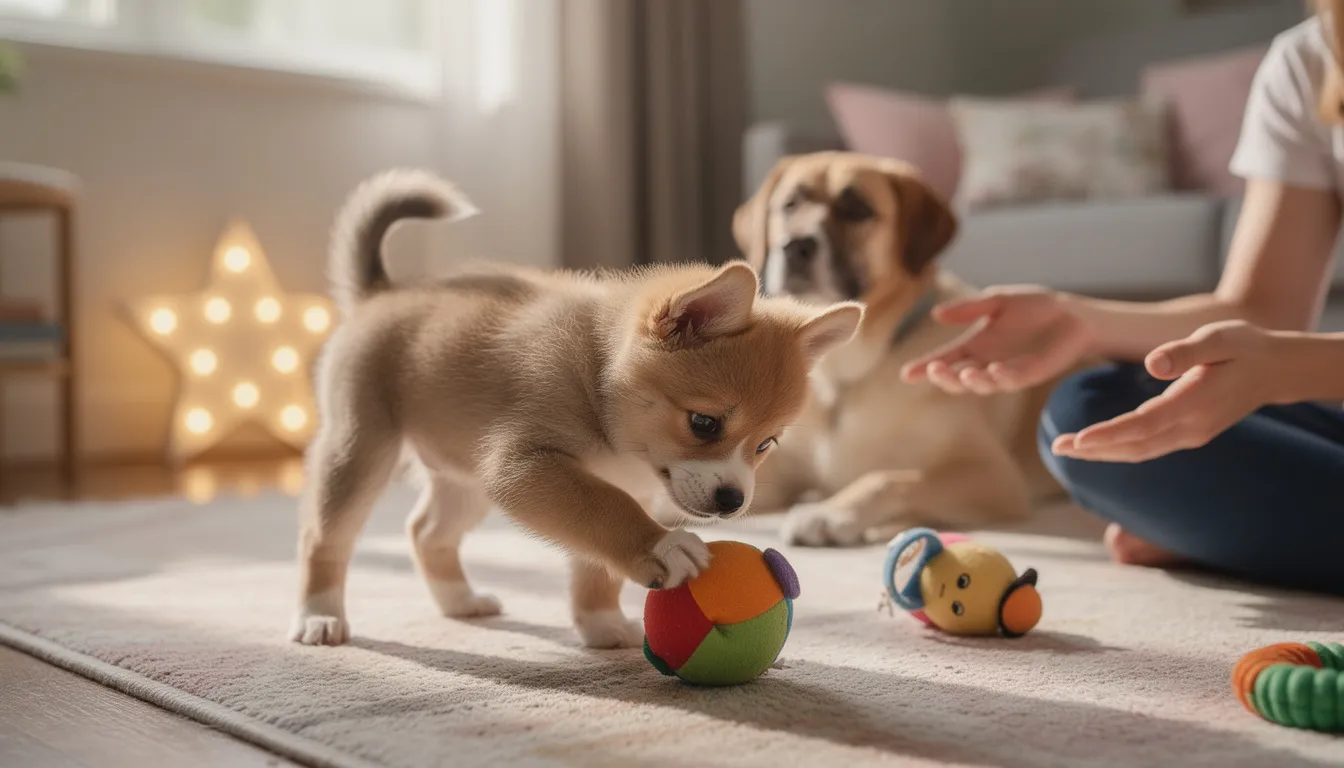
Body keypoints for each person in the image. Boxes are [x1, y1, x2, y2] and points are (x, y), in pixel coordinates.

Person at [901, 2, 1344, 597]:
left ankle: (1245, 537)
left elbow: (1280, 348)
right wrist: (1081, 319)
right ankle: (1268, 536)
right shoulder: (1312, 61)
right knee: (1090, 413)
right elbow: (1263, 309)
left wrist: (1288, 367)